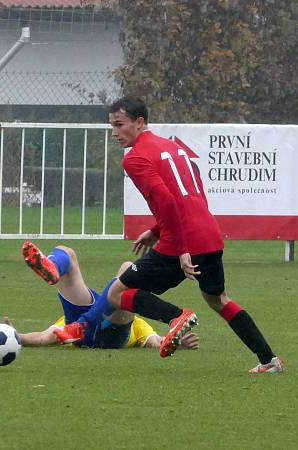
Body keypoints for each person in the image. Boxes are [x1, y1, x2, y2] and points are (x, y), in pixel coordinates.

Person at [55, 97, 284, 373]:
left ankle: (176, 317)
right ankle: (269, 361)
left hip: (182, 240)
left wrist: (182, 248)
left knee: (118, 292)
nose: (114, 132)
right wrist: (155, 230)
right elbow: (190, 196)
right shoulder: (173, 147)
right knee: (218, 300)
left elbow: (167, 201)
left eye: (119, 125)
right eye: (111, 126)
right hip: (209, 234)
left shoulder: (136, 158)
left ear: (139, 122)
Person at [20, 241, 198, 351]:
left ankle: (56, 267)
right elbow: (154, 342)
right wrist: (177, 343)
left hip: (81, 330)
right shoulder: (139, 324)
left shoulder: (67, 322)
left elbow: (44, 338)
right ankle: (53, 267)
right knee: (68, 252)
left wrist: (17, 337)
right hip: (109, 335)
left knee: (68, 253)